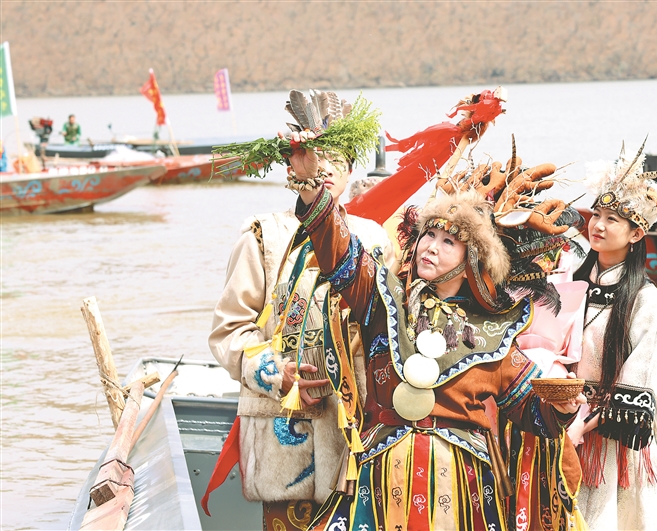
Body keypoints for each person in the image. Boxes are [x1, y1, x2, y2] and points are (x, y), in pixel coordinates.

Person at [285, 125, 587, 531]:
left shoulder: (494, 333)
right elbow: (340, 254)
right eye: (429, 234)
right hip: (381, 476)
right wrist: (311, 187)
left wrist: (562, 407)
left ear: (472, 260)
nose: (430, 246)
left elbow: (531, 411)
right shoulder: (382, 299)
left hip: (461, 488)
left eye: (449, 242)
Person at [205, 91, 394, 530]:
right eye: (315, 156)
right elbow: (228, 331)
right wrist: (277, 374)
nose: (324, 167)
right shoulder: (263, 236)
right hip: (284, 439)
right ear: (294, 167)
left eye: (337, 159)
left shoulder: (375, 239)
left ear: (350, 171)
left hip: (358, 436)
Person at [566, 142, 657, 530]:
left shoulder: (645, 299)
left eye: (612, 219)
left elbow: (637, 381)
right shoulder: (569, 283)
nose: (597, 225)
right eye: (596, 214)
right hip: (563, 420)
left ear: (636, 233)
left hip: (608, 438)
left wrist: (581, 425)